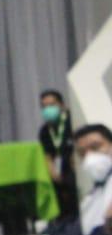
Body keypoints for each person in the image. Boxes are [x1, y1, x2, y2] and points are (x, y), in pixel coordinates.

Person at [39, 89, 78, 220]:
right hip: (58, 172)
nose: (48, 109)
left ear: (62, 105)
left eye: (52, 105)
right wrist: (53, 173)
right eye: (44, 107)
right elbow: (47, 156)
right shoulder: (45, 131)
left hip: (74, 169)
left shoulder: (73, 121)